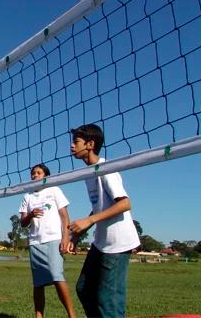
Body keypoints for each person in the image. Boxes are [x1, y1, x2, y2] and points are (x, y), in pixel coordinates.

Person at [67, 123, 140, 317]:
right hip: (101, 242)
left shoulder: (105, 168)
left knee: (108, 300)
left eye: (76, 142)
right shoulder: (89, 173)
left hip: (117, 243)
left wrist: (89, 222)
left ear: (90, 144)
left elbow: (124, 203)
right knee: (84, 289)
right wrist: (76, 236)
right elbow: (98, 206)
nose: (71, 146)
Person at [19, 164, 76, 318]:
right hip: (35, 242)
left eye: (38, 173)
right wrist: (31, 215)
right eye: (33, 173)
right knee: (38, 284)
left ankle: (72, 315)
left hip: (53, 239)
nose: (35, 175)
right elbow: (23, 222)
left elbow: (64, 216)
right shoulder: (27, 196)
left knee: (57, 276)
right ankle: (39, 315)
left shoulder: (54, 190)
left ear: (45, 176)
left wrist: (66, 238)